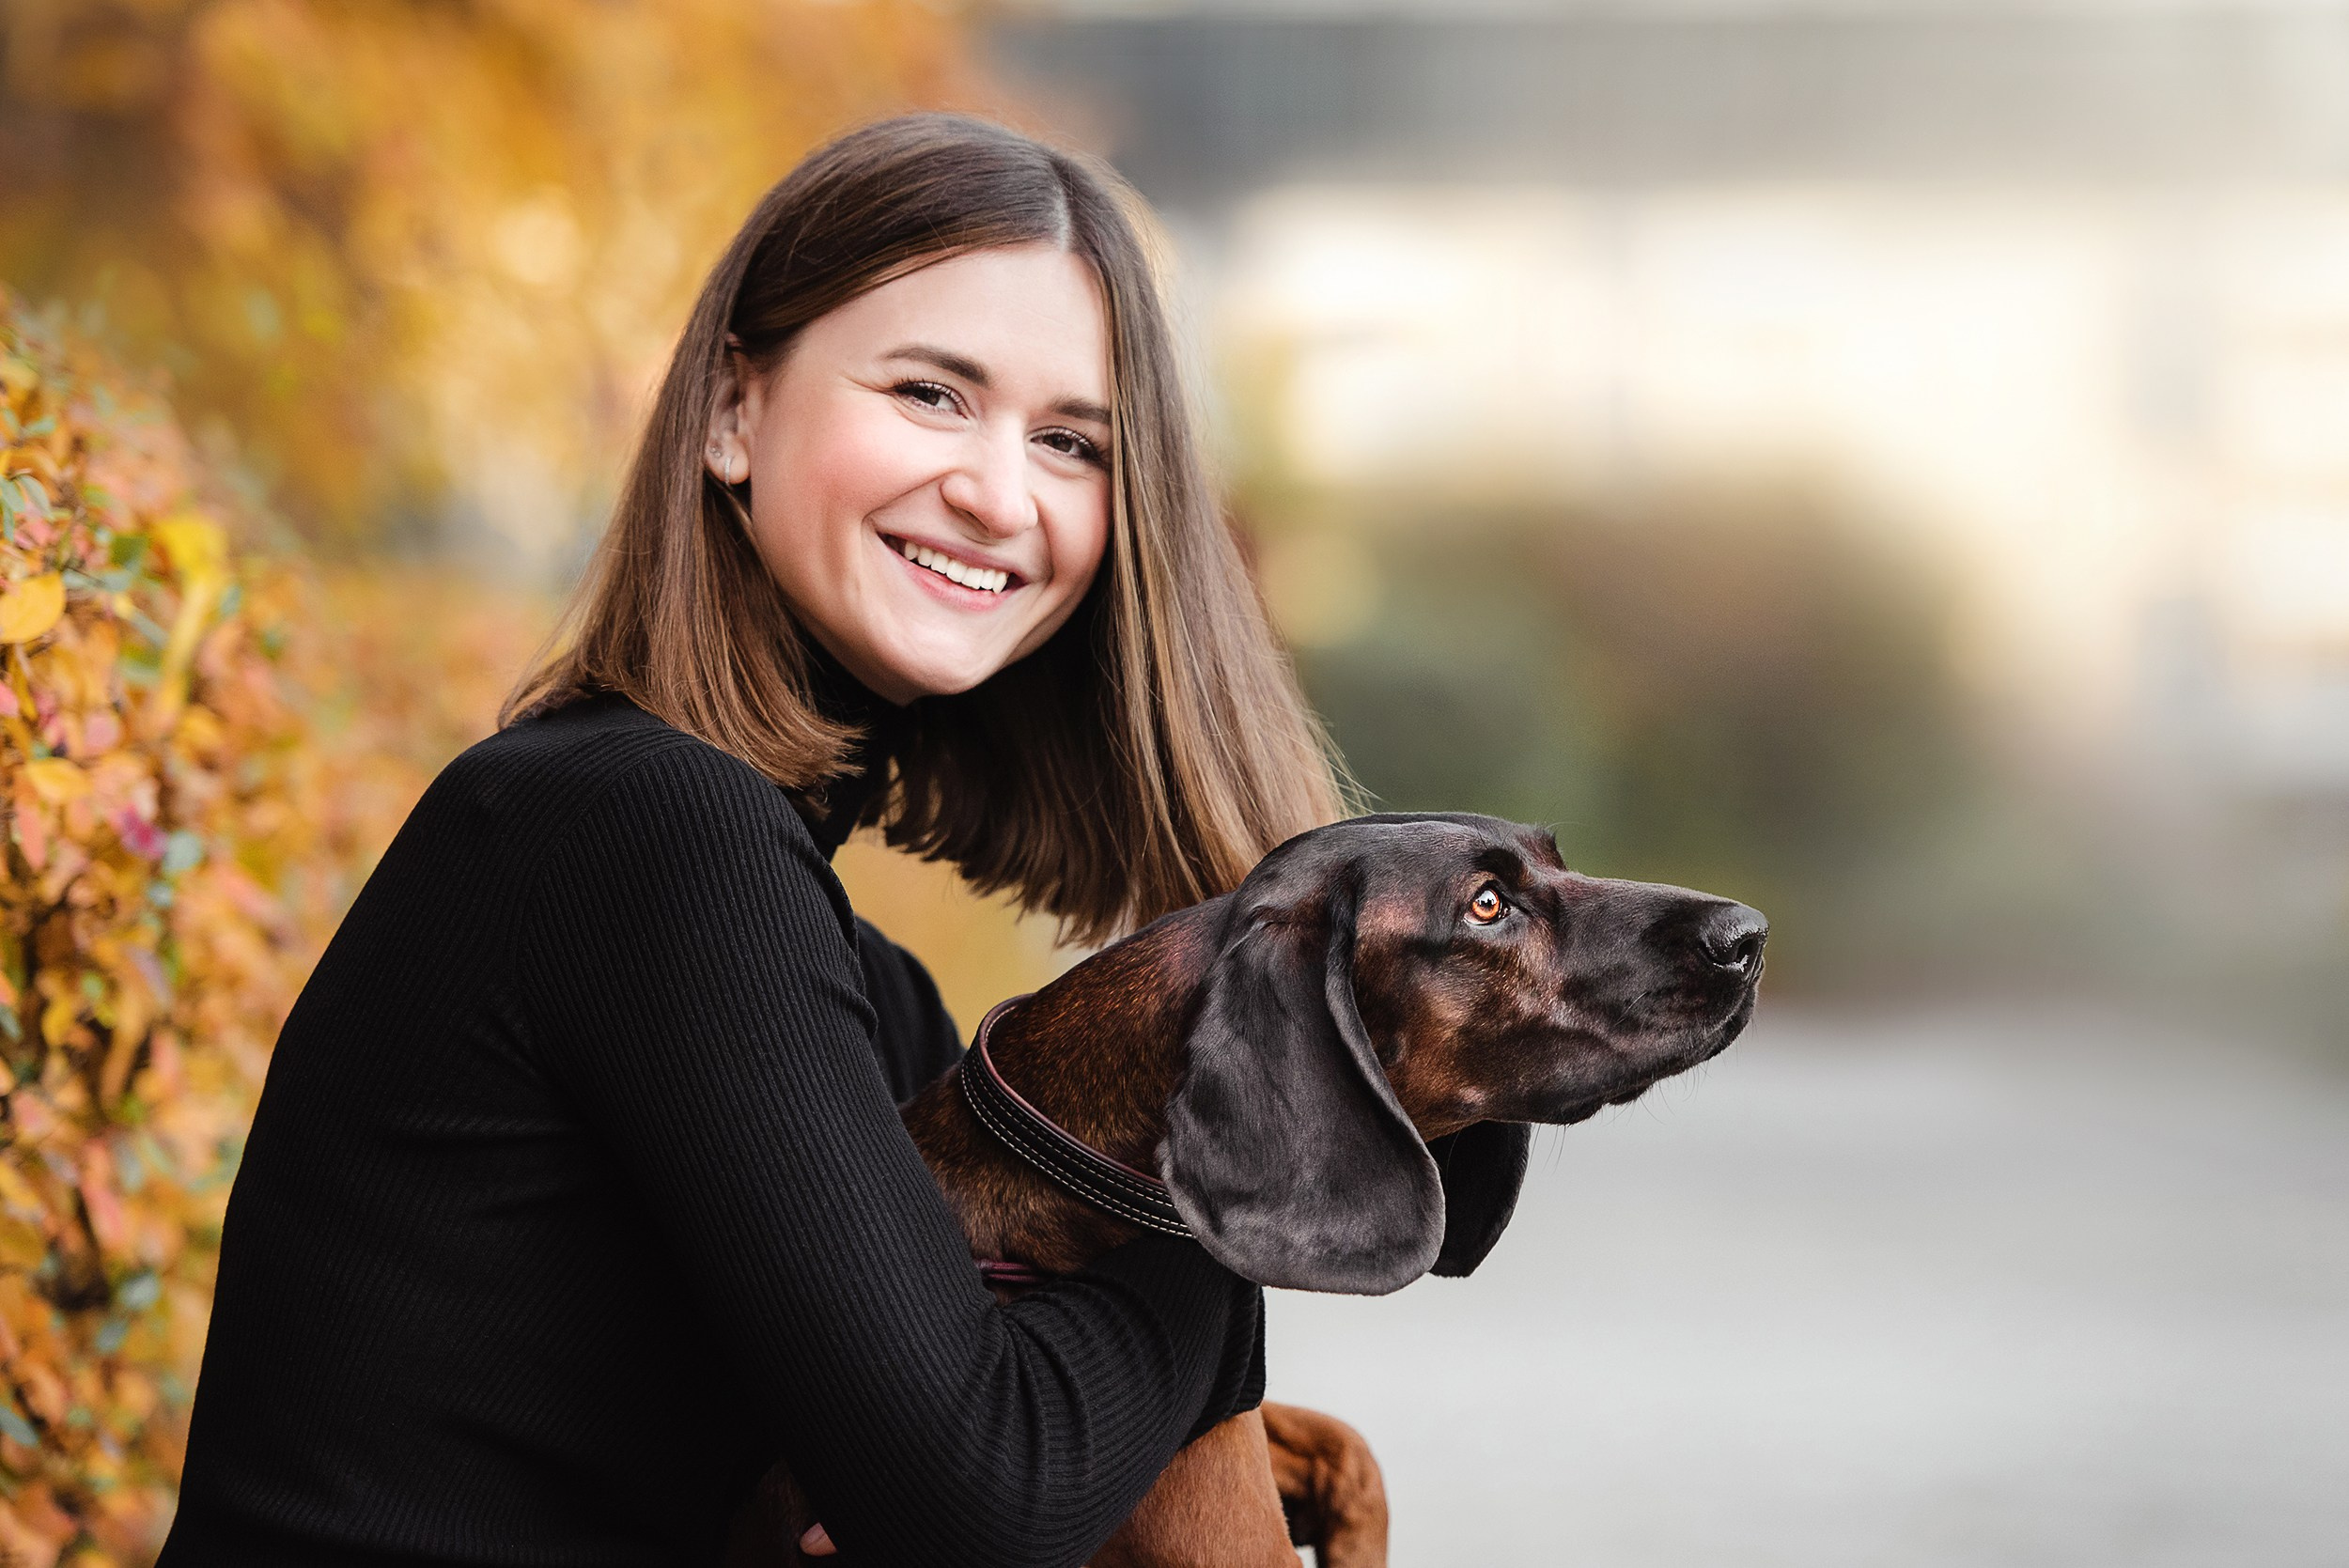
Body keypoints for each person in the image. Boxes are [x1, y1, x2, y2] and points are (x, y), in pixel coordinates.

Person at [158, 115, 1347, 1567]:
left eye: (1071, 443)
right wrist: (1230, 1217)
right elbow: (984, 1492)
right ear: (731, 410)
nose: (999, 489)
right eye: (929, 392)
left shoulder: (848, 974)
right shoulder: (638, 832)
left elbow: (978, 1452)